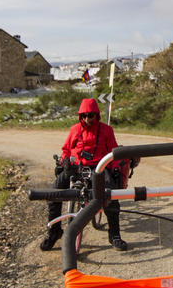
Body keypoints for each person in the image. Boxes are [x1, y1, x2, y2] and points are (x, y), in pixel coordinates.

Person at [41, 97, 132, 251]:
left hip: (99, 168)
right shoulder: (75, 129)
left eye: (91, 115)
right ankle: (54, 231)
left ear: (97, 115)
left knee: (111, 196)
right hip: (76, 167)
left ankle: (114, 235)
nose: (87, 118)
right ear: (80, 116)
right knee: (53, 193)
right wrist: (64, 161)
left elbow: (113, 152)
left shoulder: (106, 130)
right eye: (84, 115)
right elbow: (66, 150)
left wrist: (115, 167)